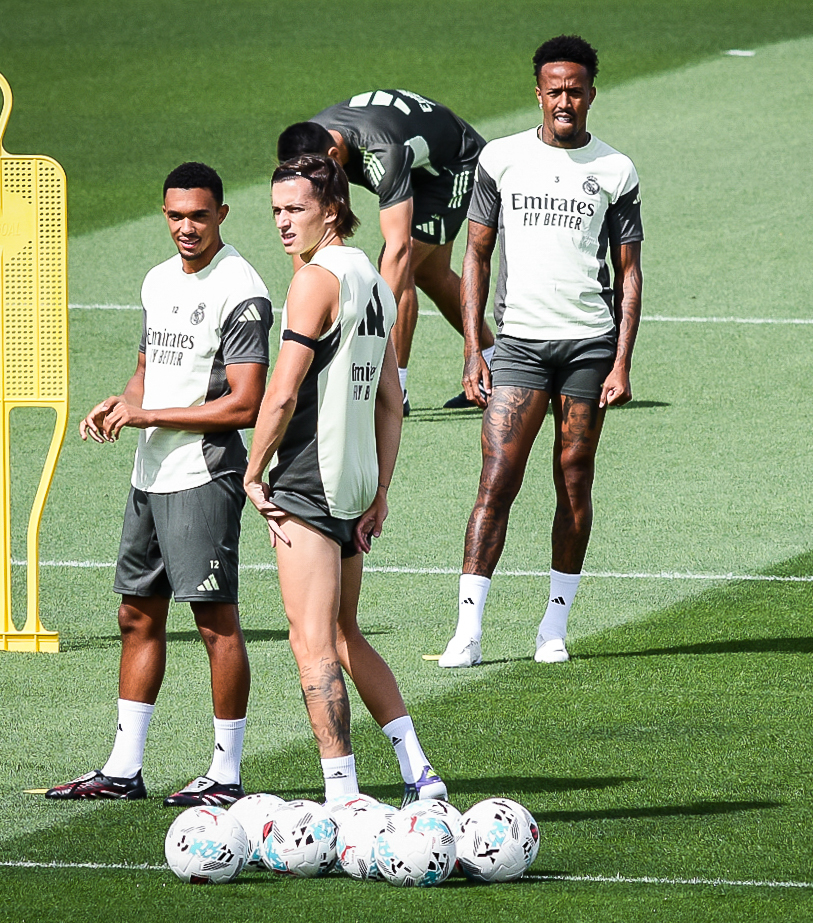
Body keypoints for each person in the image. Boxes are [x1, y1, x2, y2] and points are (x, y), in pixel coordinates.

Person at [46, 162, 273, 805]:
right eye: (175, 215)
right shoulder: (156, 281)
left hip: (203, 472)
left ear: (222, 215)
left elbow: (244, 404)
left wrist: (147, 413)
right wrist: (122, 403)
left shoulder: (241, 288)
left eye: (198, 215)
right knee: (135, 614)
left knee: (213, 620)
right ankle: (123, 769)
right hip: (151, 471)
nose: (186, 227)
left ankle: (225, 777)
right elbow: (148, 370)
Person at [243, 153, 447, 805]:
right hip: (355, 486)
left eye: (294, 208)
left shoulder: (314, 282)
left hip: (306, 484)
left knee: (310, 641)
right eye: (275, 209)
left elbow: (281, 392)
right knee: (342, 632)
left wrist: (253, 471)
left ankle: (343, 793)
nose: (281, 221)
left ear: (331, 209)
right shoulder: (372, 276)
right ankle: (419, 770)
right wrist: (380, 488)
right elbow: (392, 399)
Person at [437, 35, 643, 668]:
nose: (564, 100)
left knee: (573, 480)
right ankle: (468, 629)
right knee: (497, 480)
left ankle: (553, 627)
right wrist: (475, 350)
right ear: (538, 92)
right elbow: (473, 254)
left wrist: (623, 359)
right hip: (520, 346)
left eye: (575, 90)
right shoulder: (500, 160)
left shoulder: (616, 170)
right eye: (554, 89)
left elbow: (629, 273)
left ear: (591, 94)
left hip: (588, 347)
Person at [277, 90, 496, 414]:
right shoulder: (311, 144)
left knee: (402, 264)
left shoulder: (382, 153)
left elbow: (398, 248)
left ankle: (395, 389)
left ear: (335, 155)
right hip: (414, 152)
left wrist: (369, 322)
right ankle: (494, 365)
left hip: (452, 165)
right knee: (431, 273)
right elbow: (307, 223)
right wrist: (307, 308)